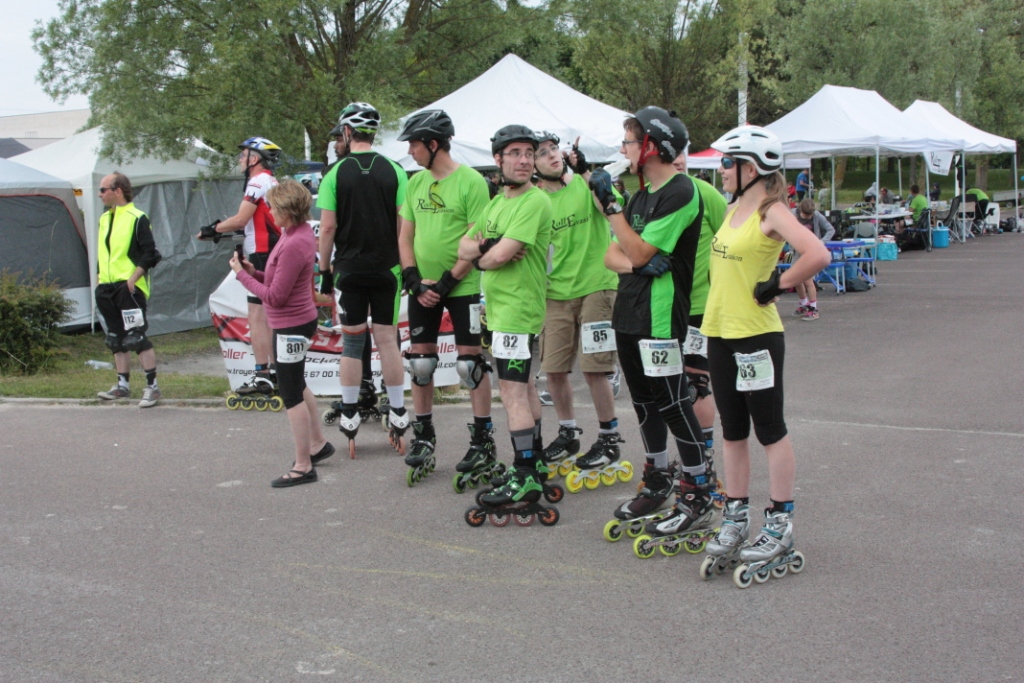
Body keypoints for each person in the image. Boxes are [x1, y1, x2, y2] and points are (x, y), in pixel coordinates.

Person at [699, 125, 830, 581]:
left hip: (756, 337)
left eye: (728, 163)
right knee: (732, 431)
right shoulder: (734, 208)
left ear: (750, 169)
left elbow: (817, 253)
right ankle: (735, 518)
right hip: (719, 333)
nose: (722, 170)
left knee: (769, 430)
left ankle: (779, 523)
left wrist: (778, 283)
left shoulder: (773, 212)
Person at [593, 107, 714, 541]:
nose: (623, 149)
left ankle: (700, 487)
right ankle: (659, 477)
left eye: (628, 141)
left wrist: (612, 211)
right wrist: (636, 262)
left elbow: (638, 252)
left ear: (650, 146)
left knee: (671, 401)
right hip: (629, 309)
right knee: (643, 402)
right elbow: (614, 256)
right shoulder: (640, 196)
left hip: (661, 315)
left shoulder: (681, 192)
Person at [396, 110, 494, 483]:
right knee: (420, 365)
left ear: (434, 144)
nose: (411, 150)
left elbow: (476, 240)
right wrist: (413, 279)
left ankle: (483, 438)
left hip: (462, 287)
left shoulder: (471, 182)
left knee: (470, 366)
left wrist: (446, 284)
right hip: (422, 288)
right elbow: (405, 235)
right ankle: (423, 435)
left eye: (415, 144)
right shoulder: (415, 183)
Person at [457, 125, 551, 507]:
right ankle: (538, 461)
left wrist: (486, 253)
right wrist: (488, 250)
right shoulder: (496, 203)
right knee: (525, 388)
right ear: (498, 159)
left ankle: (524, 474)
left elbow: (490, 257)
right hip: (497, 311)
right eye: (515, 153)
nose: (525, 160)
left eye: (530, 153)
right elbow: (464, 246)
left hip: (518, 311)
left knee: (511, 392)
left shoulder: (535, 201)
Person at [316, 102, 410, 457]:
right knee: (388, 340)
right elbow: (405, 224)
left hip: (350, 269)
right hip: (389, 268)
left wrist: (324, 271)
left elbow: (327, 227)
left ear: (346, 133)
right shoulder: (396, 171)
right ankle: (399, 409)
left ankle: (351, 411)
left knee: (353, 343)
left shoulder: (335, 173)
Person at [531, 131, 621, 480]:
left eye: (554, 149)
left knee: (595, 368)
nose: (552, 155)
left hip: (597, 286)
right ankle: (569, 433)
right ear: (534, 165)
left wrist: (586, 173)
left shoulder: (584, 185)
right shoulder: (537, 203)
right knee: (553, 368)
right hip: (555, 294)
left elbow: (610, 207)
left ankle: (609, 438)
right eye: (543, 153)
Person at [232, 179, 334, 487]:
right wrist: (254, 272)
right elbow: (278, 281)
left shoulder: (294, 242)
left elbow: (275, 296)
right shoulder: (293, 234)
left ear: (286, 211)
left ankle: (304, 465)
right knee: (298, 385)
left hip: (291, 325)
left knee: (290, 394)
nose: (269, 212)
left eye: (273, 208)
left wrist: (240, 277)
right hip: (292, 322)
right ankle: (316, 445)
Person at [198, 137, 282, 398]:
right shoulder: (271, 180)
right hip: (271, 250)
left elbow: (240, 219)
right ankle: (276, 372)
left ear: (255, 159)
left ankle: (263, 376)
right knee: (271, 316)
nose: (240, 159)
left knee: (257, 317)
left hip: (261, 253)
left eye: (243, 154)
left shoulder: (257, 181)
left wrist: (210, 229)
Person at [672, 150, 728, 475]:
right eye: (670, 154)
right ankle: (684, 454)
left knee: (697, 384)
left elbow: (728, 241)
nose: (677, 160)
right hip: (663, 308)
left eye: (681, 153)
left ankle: (703, 456)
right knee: (668, 387)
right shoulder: (653, 198)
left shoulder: (706, 193)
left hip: (699, 308)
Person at [94, 172, 163, 408]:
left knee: (136, 337)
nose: (100, 194)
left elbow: (151, 253)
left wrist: (133, 278)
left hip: (128, 287)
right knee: (116, 338)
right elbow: (104, 252)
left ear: (118, 191)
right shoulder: (105, 218)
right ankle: (122, 386)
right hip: (106, 286)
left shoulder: (137, 217)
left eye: (103, 189)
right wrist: (99, 278)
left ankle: (152, 387)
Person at [790, 198, 835, 321]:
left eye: (811, 215)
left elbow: (831, 229)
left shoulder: (817, 215)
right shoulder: (792, 214)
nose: (809, 217)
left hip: (810, 251)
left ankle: (813, 308)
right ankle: (803, 304)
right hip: (796, 251)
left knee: (808, 281)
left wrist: (821, 242)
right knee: (796, 280)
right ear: (800, 210)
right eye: (806, 215)